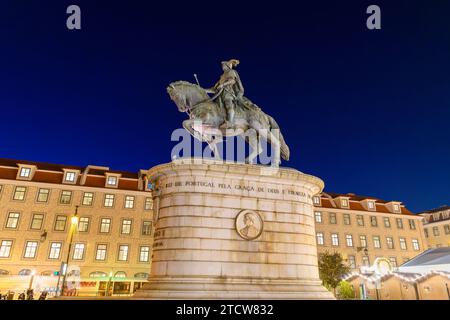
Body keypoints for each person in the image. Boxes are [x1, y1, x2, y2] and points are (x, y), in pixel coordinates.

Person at [210, 59, 244, 128]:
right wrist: (202, 90)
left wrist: (223, 85)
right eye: (222, 65)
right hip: (219, 96)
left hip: (228, 93)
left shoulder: (231, 72)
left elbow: (232, 81)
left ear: (227, 66)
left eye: (223, 65)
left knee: (229, 106)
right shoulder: (222, 76)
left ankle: (230, 123)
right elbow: (214, 89)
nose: (222, 66)